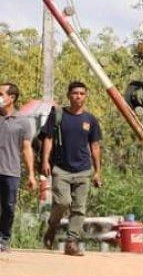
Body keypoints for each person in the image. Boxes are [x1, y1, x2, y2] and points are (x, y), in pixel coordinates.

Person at [40, 81, 103, 255]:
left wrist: (97, 172)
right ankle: (53, 226)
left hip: (83, 169)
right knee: (62, 202)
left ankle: (71, 242)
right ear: (69, 95)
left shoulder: (90, 120)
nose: (79, 96)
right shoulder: (58, 114)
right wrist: (45, 161)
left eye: (82, 93)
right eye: (75, 93)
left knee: (78, 208)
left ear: (86, 96)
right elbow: (48, 139)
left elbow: (95, 146)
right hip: (61, 169)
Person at [0, 83, 37, 252]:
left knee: (8, 206)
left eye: (0, 93)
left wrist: (31, 174)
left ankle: (4, 238)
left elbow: (26, 148)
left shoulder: (23, 121)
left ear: (11, 98)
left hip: (10, 171)